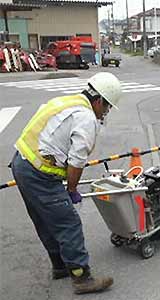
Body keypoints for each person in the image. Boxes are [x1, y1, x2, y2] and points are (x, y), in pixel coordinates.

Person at [11, 72, 122, 295]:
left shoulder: (64, 101)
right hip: (39, 174)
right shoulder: (86, 117)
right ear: (99, 100)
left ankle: (60, 266)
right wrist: (71, 190)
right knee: (68, 223)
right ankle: (82, 278)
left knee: (44, 219)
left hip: (21, 163)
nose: (105, 112)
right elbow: (76, 161)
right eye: (107, 107)